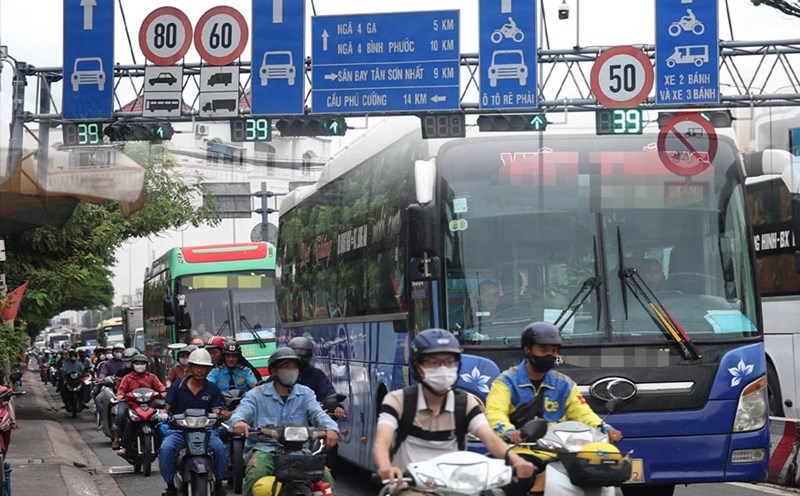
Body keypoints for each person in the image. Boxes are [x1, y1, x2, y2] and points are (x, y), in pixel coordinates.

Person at [373, 329, 534, 493]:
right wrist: (385, 466)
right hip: (411, 486)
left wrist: (516, 461)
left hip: (457, 488)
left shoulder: (465, 403)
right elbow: (382, 443)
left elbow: (491, 439)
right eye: (434, 362)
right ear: (418, 366)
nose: (443, 368)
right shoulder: (397, 401)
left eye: (449, 362)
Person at [485, 322, 623, 496]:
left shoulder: (564, 383)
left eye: (554, 350)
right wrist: (509, 432)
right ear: (528, 350)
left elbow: (583, 412)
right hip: (522, 451)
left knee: (606, 480)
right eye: (543, 350)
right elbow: (495, 414)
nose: (550, 355)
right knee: (519, 479)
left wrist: (606, 429)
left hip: (563, 453)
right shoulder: (506, 382)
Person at [230, 348, 340, 496]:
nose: (291, 371)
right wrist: (239, 422)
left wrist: (331, 429)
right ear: (274, 371)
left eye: (294, 367)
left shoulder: (306, 394)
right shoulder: (256, 394)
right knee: (256, 474)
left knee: (326, 478)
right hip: (266, 450)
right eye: (286, 367)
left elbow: (319, 414)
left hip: (301, 451)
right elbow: (241, 411)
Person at [158, 348, 228, 496]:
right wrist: (163, 414)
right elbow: (167, 408)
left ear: (209, 370)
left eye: (204, 367)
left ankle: (219, 483)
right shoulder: (177, 387)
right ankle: (170, 485)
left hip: (207, 431)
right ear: (190, 367)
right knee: (166, 449)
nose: (200, 370)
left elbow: (216, 409)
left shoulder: (213, 389)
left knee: (220, 448)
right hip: (179, 430)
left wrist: (219, 415)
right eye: (197, 366)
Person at [114, 354, 167, 454]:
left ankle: (162, 444)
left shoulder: (151, 377)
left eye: (142, 363)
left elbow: (160, 388)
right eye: (137, 363)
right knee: (123, 417)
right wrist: (120, 396)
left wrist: (164, 393)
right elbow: (121, 390)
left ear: (146, 365)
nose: (140, 366)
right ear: (133, 365)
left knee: (159, 421)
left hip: (149, 405)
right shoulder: (127, 378)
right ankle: (123, 445)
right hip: (131, 405)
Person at [287, 336, 344, 418]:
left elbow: (328, 393)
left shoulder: (316, 375)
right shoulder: (277, 379)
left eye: (304, 358)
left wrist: (335, 407)